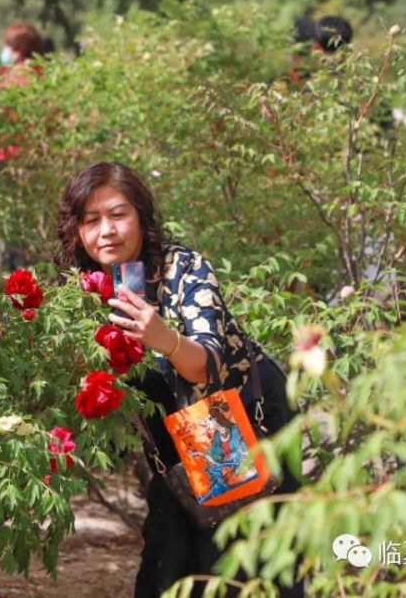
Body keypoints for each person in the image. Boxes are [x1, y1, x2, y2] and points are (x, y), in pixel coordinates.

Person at [55, 162, 303, 598]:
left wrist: (162, 337)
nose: (106, 231)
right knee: (166, 569)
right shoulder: (88, 288)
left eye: (118, 215)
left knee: (246, 570)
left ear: (142, 217)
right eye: (91, 221)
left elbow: (205, 364)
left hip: (235, 426)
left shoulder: (183, 268)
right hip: (176, 443)